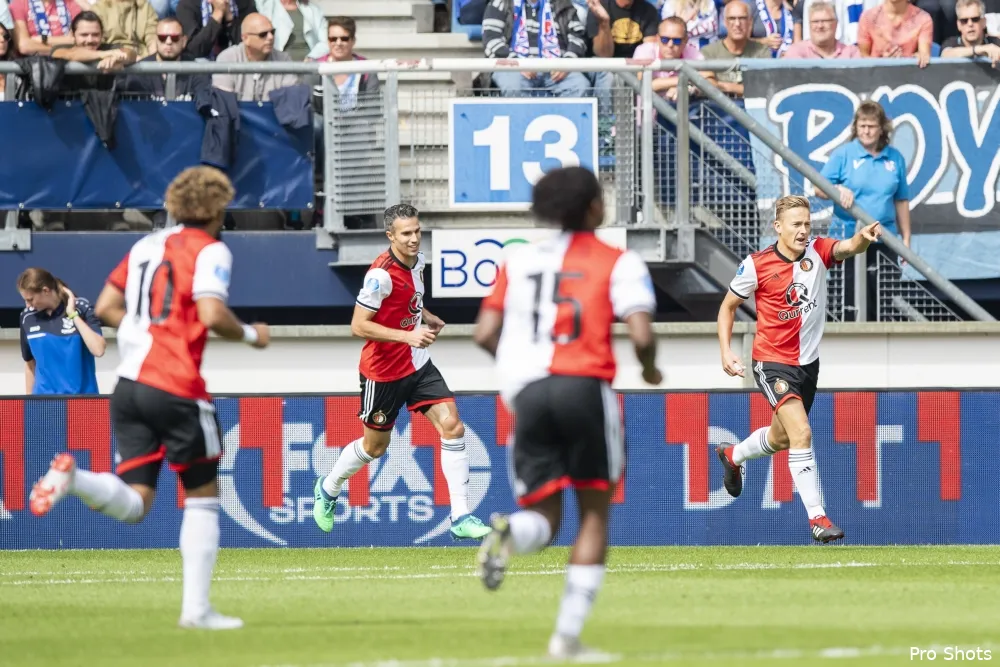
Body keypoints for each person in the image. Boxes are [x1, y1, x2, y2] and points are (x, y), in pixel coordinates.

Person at [28, 166, 271, 630]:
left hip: (129, 387)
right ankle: (196, 611)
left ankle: (75, 477)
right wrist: (250, 334)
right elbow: (211, 312)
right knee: (201, 497)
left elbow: (103, 308)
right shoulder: (212, 249)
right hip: (177, 386)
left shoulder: (145, 245)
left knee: (137, 502)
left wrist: (147, 328)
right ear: (218, 208)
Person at [472, 166, 662, 660]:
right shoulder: (619, 261)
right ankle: (567, 638)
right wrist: (650, 369)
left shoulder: (516, 260)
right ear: (595, 207)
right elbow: (641, 335)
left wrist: (520, 374)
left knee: (544, 517)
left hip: (530, 394)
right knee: (594, 516)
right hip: (584, 389)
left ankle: (510, 531)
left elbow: (483, 334)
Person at [312, 204, 491, 541]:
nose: (413, 239)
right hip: (383, 372)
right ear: (390, 235)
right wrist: (407, 334)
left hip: (418, 363)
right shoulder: (379, 274)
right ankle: (329, 486)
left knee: (452, 426)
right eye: (406, 233)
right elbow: (358, 325)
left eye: (417, 231)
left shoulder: (418, 261)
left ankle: (461, 516)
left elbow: (409, 295)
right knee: (375, 447)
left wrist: (426, 314)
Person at [715, 194, 882, 544]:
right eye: (797, 224)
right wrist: (726, 351)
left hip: (808, 365)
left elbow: (848, 248)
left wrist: (862, 239)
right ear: (778, 227)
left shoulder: (818, 251)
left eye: (807, 224)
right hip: (772, 362)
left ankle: (734, 455)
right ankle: (817, 518)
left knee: (781, 438)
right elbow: (728, 307)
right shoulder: (756, 265)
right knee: (802, 433)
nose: (804, 231)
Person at [816, 99, 910, 321]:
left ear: (881, 129)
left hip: (884, 238)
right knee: (849, 300)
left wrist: (906, 238)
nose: (866, 131)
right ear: (856, 127)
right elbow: (818, 187)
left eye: (871, 126)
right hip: (848, 238)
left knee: (883, 301)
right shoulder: (844, 154)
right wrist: (837, 189)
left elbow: (901, 200)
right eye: (862, 126)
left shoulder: (895, 157)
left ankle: (881, 349)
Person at [18, 268, 106, 395]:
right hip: (45, 402)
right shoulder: (27, 317)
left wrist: (72, 315)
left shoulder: (81, 308)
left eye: (30, 299)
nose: (28, 305)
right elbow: (30, 364)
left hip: (83, 401)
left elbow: (98, 350)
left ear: (46, 291)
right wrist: (29, 404)